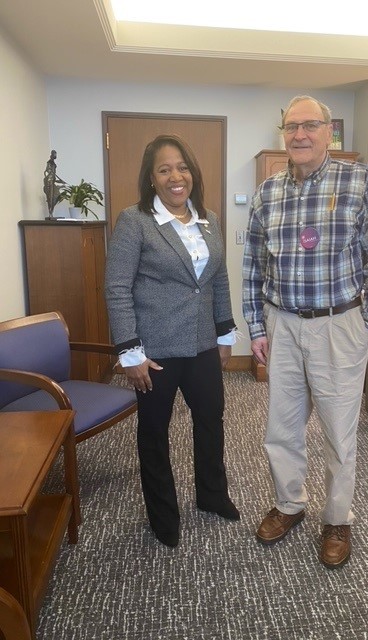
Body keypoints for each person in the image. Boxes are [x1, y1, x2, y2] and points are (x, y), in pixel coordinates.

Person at [242, 96, 368, 568]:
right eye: (291, 127)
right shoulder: (268, 192)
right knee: (281, 429)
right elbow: (253, 266)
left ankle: (337, 519)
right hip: (283, 325)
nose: (300, 135)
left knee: (339, 433)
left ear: (329, 132)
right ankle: (289, 505)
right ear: (283, 134)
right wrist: (257, 326)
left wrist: (366, 325)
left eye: (310, 125)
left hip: (339, 324)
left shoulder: (360, 181)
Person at [105, 134, 240, 548]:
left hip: (202, 345)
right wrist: (130, 352)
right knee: (154, 432)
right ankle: (163, 516)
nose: (175, 177)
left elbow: (217, 279)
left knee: (210, 420)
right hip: (155, 351)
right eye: (164, 169)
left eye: (181, 168)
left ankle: (212, 495)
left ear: (192, 173)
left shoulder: (209, 219)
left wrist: (224, 332)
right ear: (151, 178)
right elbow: (116, 287)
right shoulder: (135, 221)